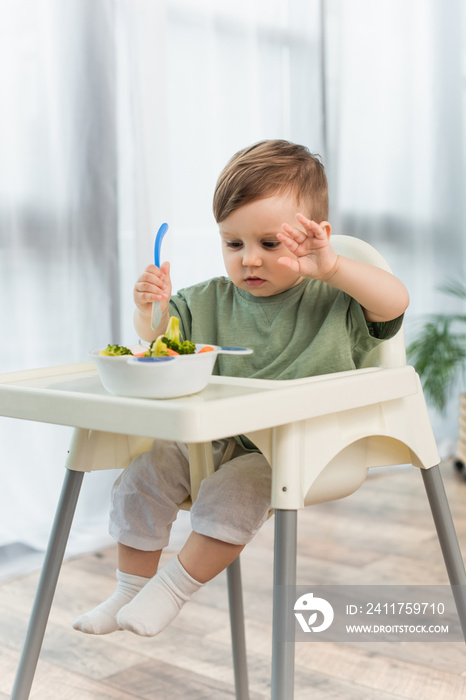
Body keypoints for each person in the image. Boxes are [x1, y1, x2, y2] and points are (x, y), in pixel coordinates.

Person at [73, 139, 409, 637]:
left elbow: (395, 302)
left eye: (269, 244)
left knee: (234, 490)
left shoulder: (334, 299)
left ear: (316, 238)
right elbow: (160, 339)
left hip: (302, 445)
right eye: (234, 244)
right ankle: (128, 589)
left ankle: (170, 591)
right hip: (214, 438)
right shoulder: (208, 298)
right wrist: (150, 310)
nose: (249, 260)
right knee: (146, 472)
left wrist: (333, 267)